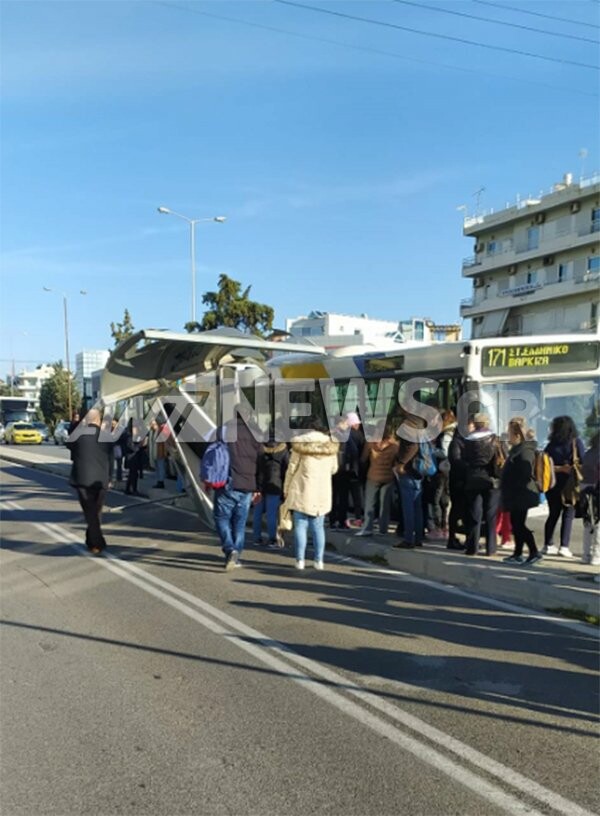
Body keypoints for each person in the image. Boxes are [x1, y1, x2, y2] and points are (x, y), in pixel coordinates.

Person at [283, 421, 339, 570]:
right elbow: (334, 469)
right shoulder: (331, 445)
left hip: (302, 489)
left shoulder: (300, 444)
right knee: (318, 527)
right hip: (322, 491)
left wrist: (286, 488)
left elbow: (292, 468)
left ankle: (300, 560)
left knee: (300, 526)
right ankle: (318, 560)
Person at [212, 407, 262, 570]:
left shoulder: (224, 430)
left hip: (227, 482)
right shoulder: (256, 433)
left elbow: (211, 451)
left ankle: (229, 548)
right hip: (248, 485)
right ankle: (236, 556)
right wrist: (258, 487)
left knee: (221, 518)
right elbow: (261, 460)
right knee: (239, 524)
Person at [66, 408, 113, 555]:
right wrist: (110, 478)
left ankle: (96, 543)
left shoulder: (78, 434)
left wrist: (76, 424)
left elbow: (69, 445)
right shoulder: (106, 436)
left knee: (90, 513)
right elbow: (110, 460)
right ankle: (93, 541)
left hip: (82, 479)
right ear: (99, 420)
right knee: (95, 512)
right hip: (101, 480)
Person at [543, 415, 586, 558]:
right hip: (570, 484)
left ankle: (548, 544)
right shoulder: (576, 442)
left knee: (553, 514)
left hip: (552, 484)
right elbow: (584, 461)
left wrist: (558, 468)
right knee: (568, 514)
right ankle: (564, 546)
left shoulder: (551, 445)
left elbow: (545, 466)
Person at [501, 417, 541, 565]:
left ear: (517, 434)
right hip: (516, 493)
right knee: (516, 523)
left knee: (518, 524)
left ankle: (534, 551)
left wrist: (512, 482)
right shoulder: (517, 449)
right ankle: (517, 553)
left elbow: (525, 472)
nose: (508, 436)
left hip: (521, 493)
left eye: (509, 433)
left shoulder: (525, 450)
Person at [463, 413, 502, 556]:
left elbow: (464, 459)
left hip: (473, 478)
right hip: (491, 479)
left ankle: (472, 547)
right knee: (491, 515)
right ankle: (491, 548)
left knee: (475, 514)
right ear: (487, 423)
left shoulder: (468, 440)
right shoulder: (495, 439)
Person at [356, 419, 399, 537]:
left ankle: (367, 528)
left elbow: (363, 459)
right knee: (385, 505)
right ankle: (383, 529)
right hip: (388, 477)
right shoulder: (395, 446)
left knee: (369, 503)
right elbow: (397, 461)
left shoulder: (370, 443)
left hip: (373, 476)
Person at [393, 413, 428, 549]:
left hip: (408, 473)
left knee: (408, 507)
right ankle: (418, 537)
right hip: (418, 473)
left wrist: (401, 463)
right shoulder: (423, 435)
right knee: (417, 507)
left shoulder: (411, 435)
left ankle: (408, 539)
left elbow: (411, 449)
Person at [253, 438, 289, 548]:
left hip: (259, 483)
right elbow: (286, 469)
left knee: (257, 512)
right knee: (271, 513)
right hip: (275, 484)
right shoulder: (283, 450)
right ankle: (272, 538)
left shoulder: (260, 448)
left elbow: (256, 467)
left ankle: (256, 537)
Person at [330, 411, 364, 529]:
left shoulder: (331, 434)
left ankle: (333, 520)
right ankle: (343, 520)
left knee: (334, 495)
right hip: (350, 469)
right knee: (348, 496)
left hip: (334, 469)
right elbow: (361, 451)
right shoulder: (355, 434)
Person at [446, 417, 474, 550]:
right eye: (471, 425)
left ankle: (468, 538)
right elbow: (455, 460)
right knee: (457, 510)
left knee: (467, 511)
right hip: (458, 481)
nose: (473, 428)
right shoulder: (456, 442)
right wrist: (470, 466)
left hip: (466, 481)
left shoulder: (468, 441)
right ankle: (451, 538)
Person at [581, 432, 600, 566]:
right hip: (596, 488)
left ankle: (586, 553)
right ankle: (596, 554)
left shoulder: (589, 453)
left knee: (588, 523)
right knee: (598, 525)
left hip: (585, 489)